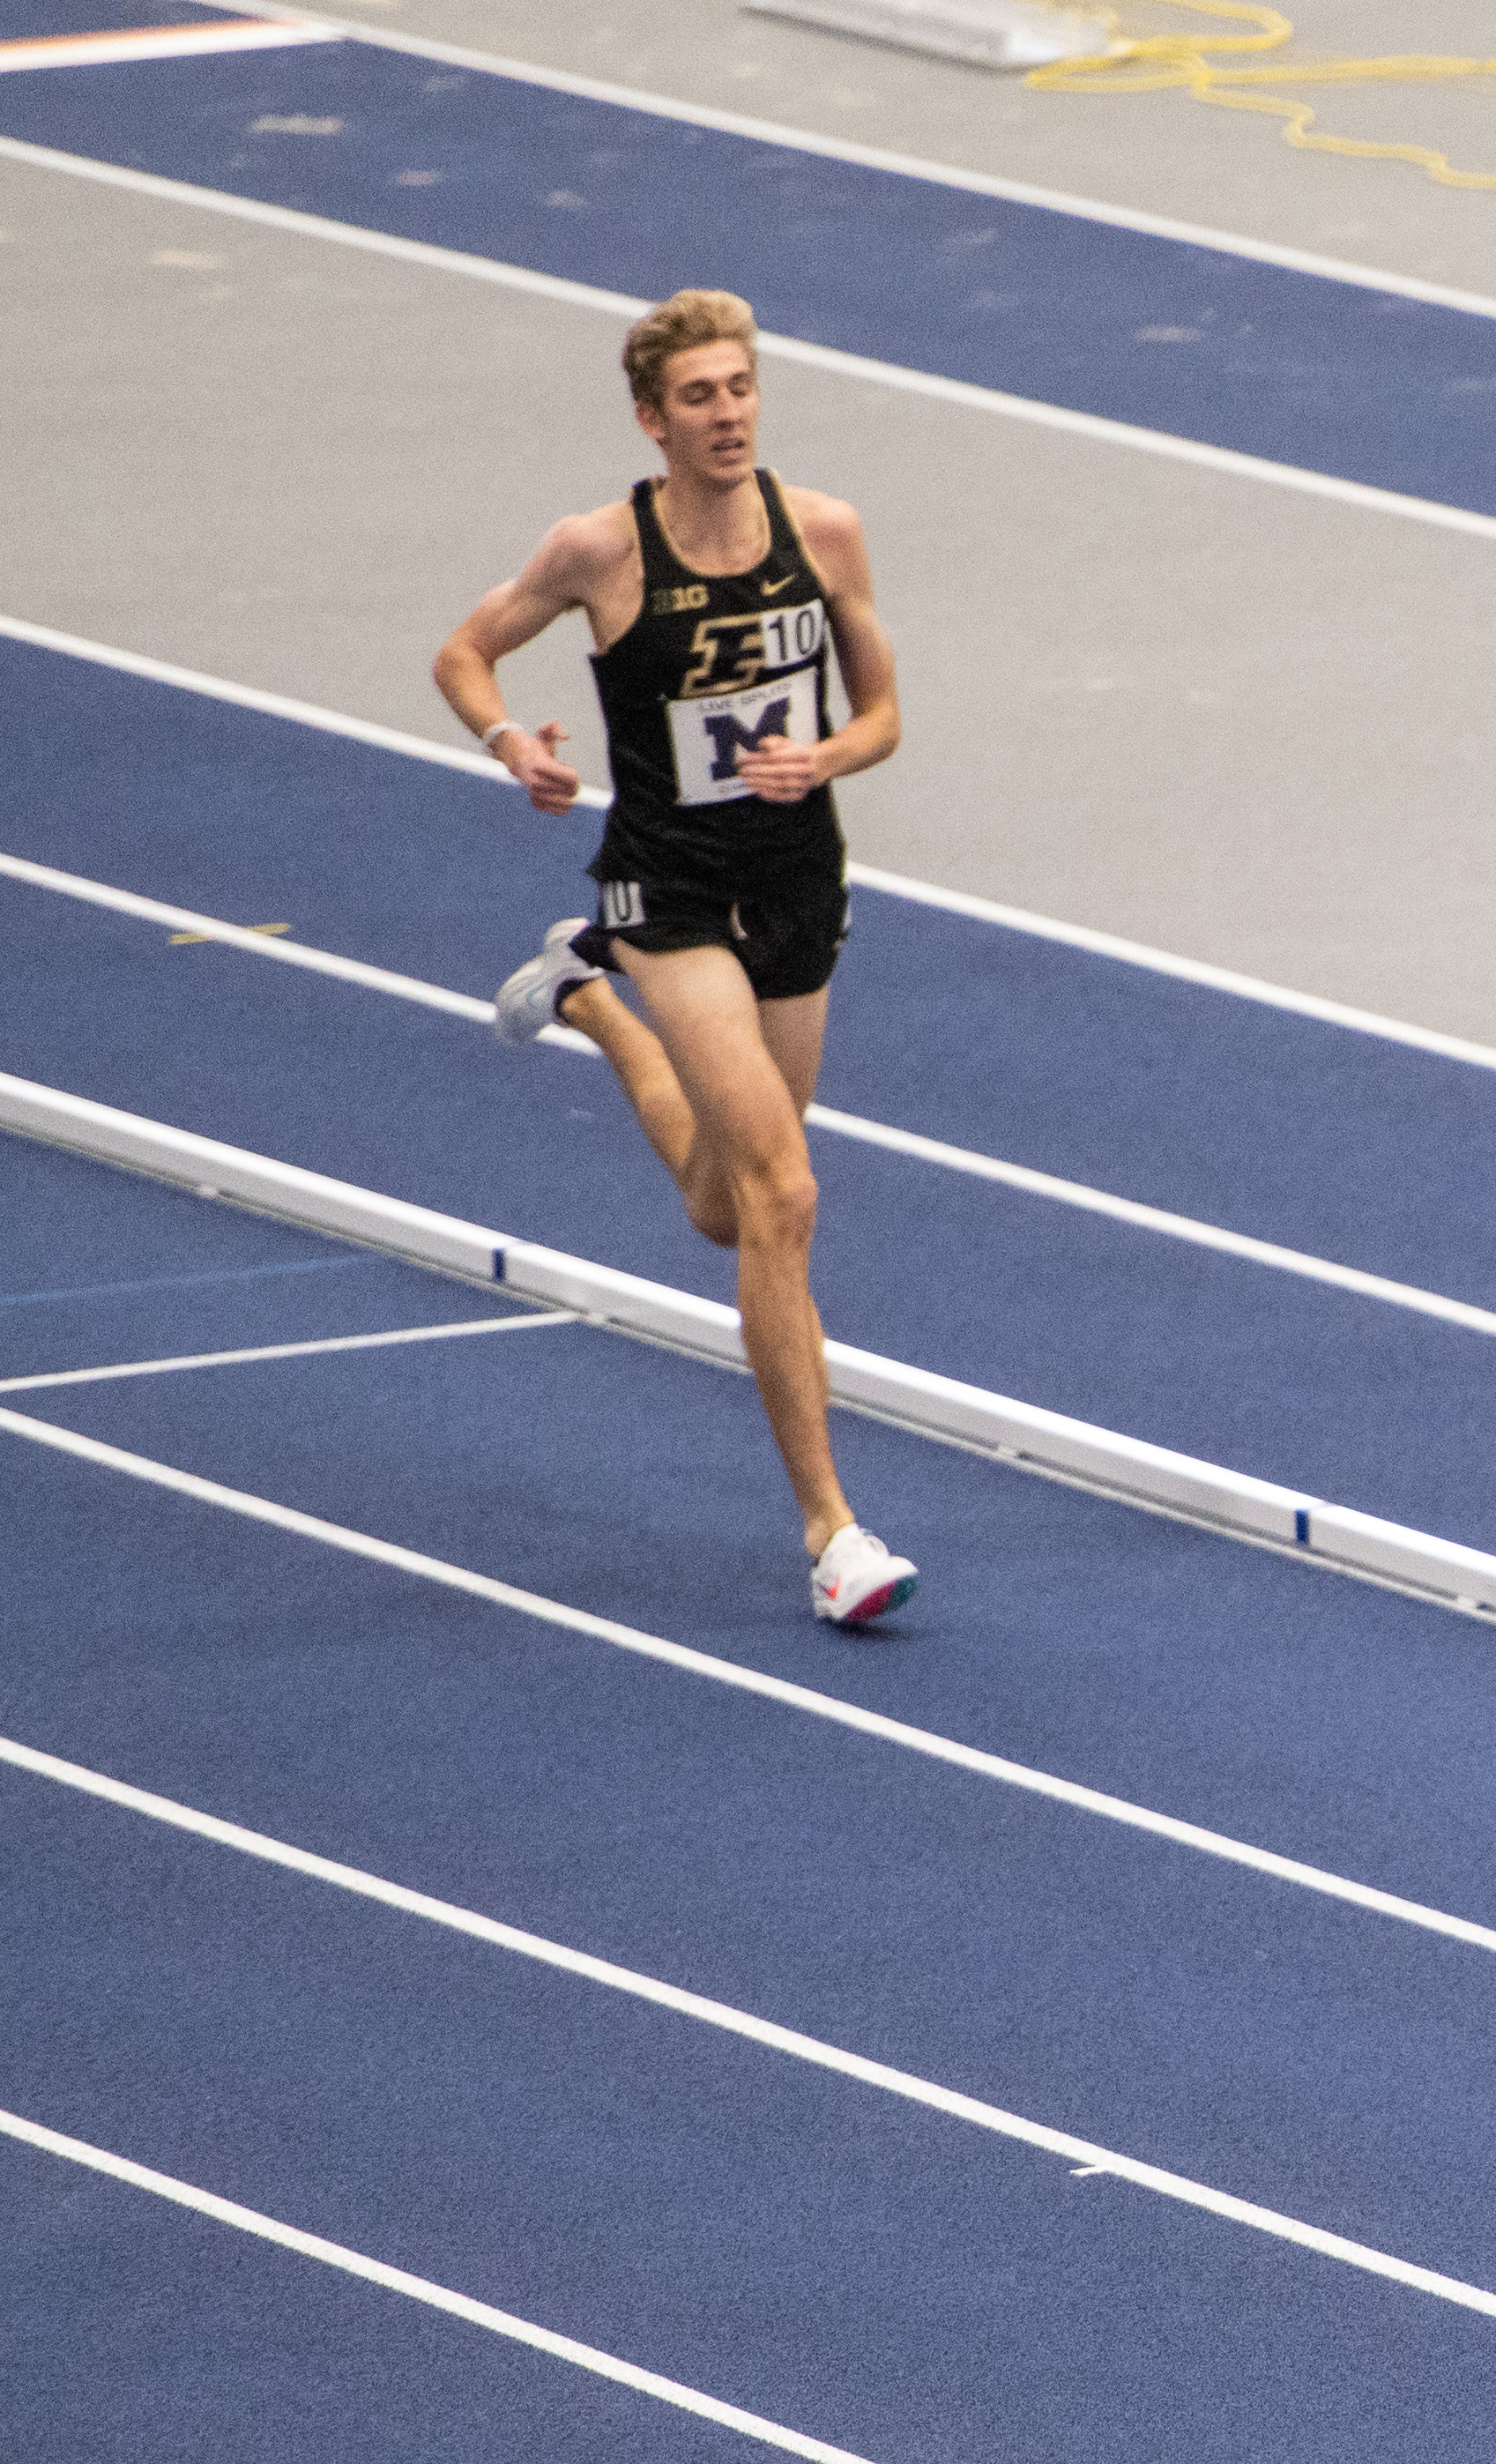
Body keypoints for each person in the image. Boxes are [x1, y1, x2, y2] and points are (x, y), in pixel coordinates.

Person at [431, 287, 917, 1627]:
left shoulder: (824, 531)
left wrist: (824, 754)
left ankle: (588, 998)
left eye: (743, 388)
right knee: (786, 1192)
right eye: (699, 396)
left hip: (798, 880)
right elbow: (465, 652)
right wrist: (510, 743)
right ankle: (834, 1532)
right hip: (672, 890)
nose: (728, 414)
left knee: (723, 1205)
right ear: (653, 419)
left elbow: (883, 715)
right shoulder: (599, 549)